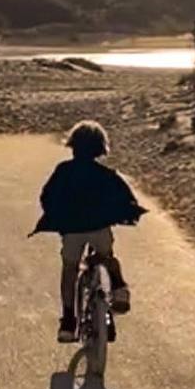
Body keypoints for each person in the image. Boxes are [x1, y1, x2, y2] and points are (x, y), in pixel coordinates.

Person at [32, 120, 143, 343]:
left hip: (72, 230)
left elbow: (47, 197)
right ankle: (119, 288)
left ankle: (68, 321)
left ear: (73, 146)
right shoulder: (107, 174)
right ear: (100, 148)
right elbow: (126, 199)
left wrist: (57, 217)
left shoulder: (63, 171)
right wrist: (124, 215)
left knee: (70, 269)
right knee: (107, 257)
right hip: (99, 228)